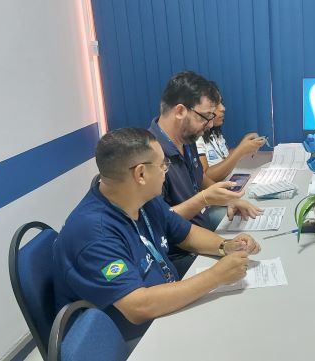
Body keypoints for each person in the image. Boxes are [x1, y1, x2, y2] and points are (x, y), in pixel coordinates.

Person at [53, 128, 262, 342]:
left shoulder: (143, 198)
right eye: (163, 165)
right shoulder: (94, 234)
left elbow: (186, 233)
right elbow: (138, 307)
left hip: (165, 304)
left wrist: (225, 246)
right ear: (140, 174)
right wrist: (216, 277)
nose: (166, 171)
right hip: (129, 337)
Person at [148, 71, 262, 275]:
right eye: (205, 117)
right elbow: (159, 221)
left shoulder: (187, 140)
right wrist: (204, 199)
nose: (210, 124)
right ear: (180, 111)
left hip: (203, 235)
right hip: (180, 253)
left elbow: (200, 179)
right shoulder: (151, 156)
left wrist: (227, 200)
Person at [195, 83, 267, 185]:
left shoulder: (215, 132)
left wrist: (246, 146)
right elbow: (205, 178)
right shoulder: (196, 137)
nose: (223, 108)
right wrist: (240, 151)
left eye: (222, 103)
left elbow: (226, 155)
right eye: (216, 105)